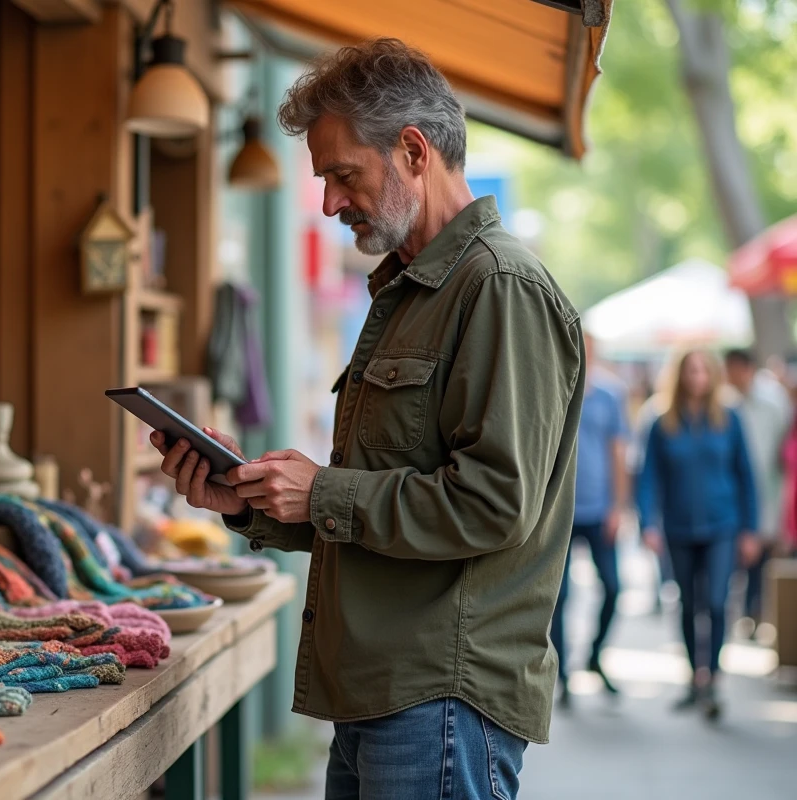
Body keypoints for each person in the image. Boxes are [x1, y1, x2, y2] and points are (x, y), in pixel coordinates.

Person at [153, 39, 582, 799]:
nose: (328, 204)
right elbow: (386, 499)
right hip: (389, 697)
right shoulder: (413, 292)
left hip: (441, 701)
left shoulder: (500, 287)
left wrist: (320, 492)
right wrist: (249, 498)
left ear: (414, 151)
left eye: (343, 175)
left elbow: (491, 506)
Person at [637, 349, 760, 720]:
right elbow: (648, 478)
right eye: (691, 371)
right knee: (689, 605)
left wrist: (751, 530)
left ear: (713, 376)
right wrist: (648, 524)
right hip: (678, 526)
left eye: (703, 371)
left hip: (723, 524)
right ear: (680, 376)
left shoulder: (730, 419)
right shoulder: (662, 422)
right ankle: (695, 678)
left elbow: (747, 477)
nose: (697, 378)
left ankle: (715, 678)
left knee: (719, 602)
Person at [550, 334, 628, 707]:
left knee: (613, 588)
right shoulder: (551, 389)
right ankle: (563, 674)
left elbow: (618, 453)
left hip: (600, 511)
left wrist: (619, 506)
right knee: (559, 596)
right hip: (560, 514)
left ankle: (595, 655)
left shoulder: (611, 396)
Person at [723, 348, 791, 633]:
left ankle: (757, 612)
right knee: (742, 556)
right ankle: (745, 611)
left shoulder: (774, 402)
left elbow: (786, 446)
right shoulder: (726, 404)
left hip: (770, 492)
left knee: (763, 557)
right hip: (735, 495)